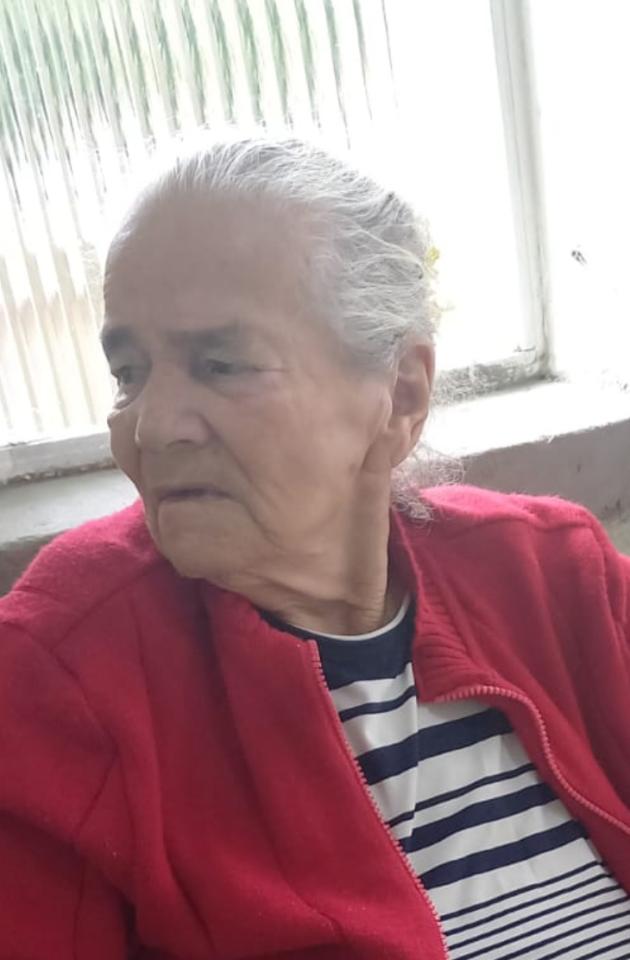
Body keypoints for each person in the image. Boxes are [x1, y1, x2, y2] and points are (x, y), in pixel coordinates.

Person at [0, 135, 629, 960]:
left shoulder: (553, 575)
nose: (150, 426)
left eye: (219, 364)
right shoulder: (61, 674)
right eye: (130, 374)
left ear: (400, 395)